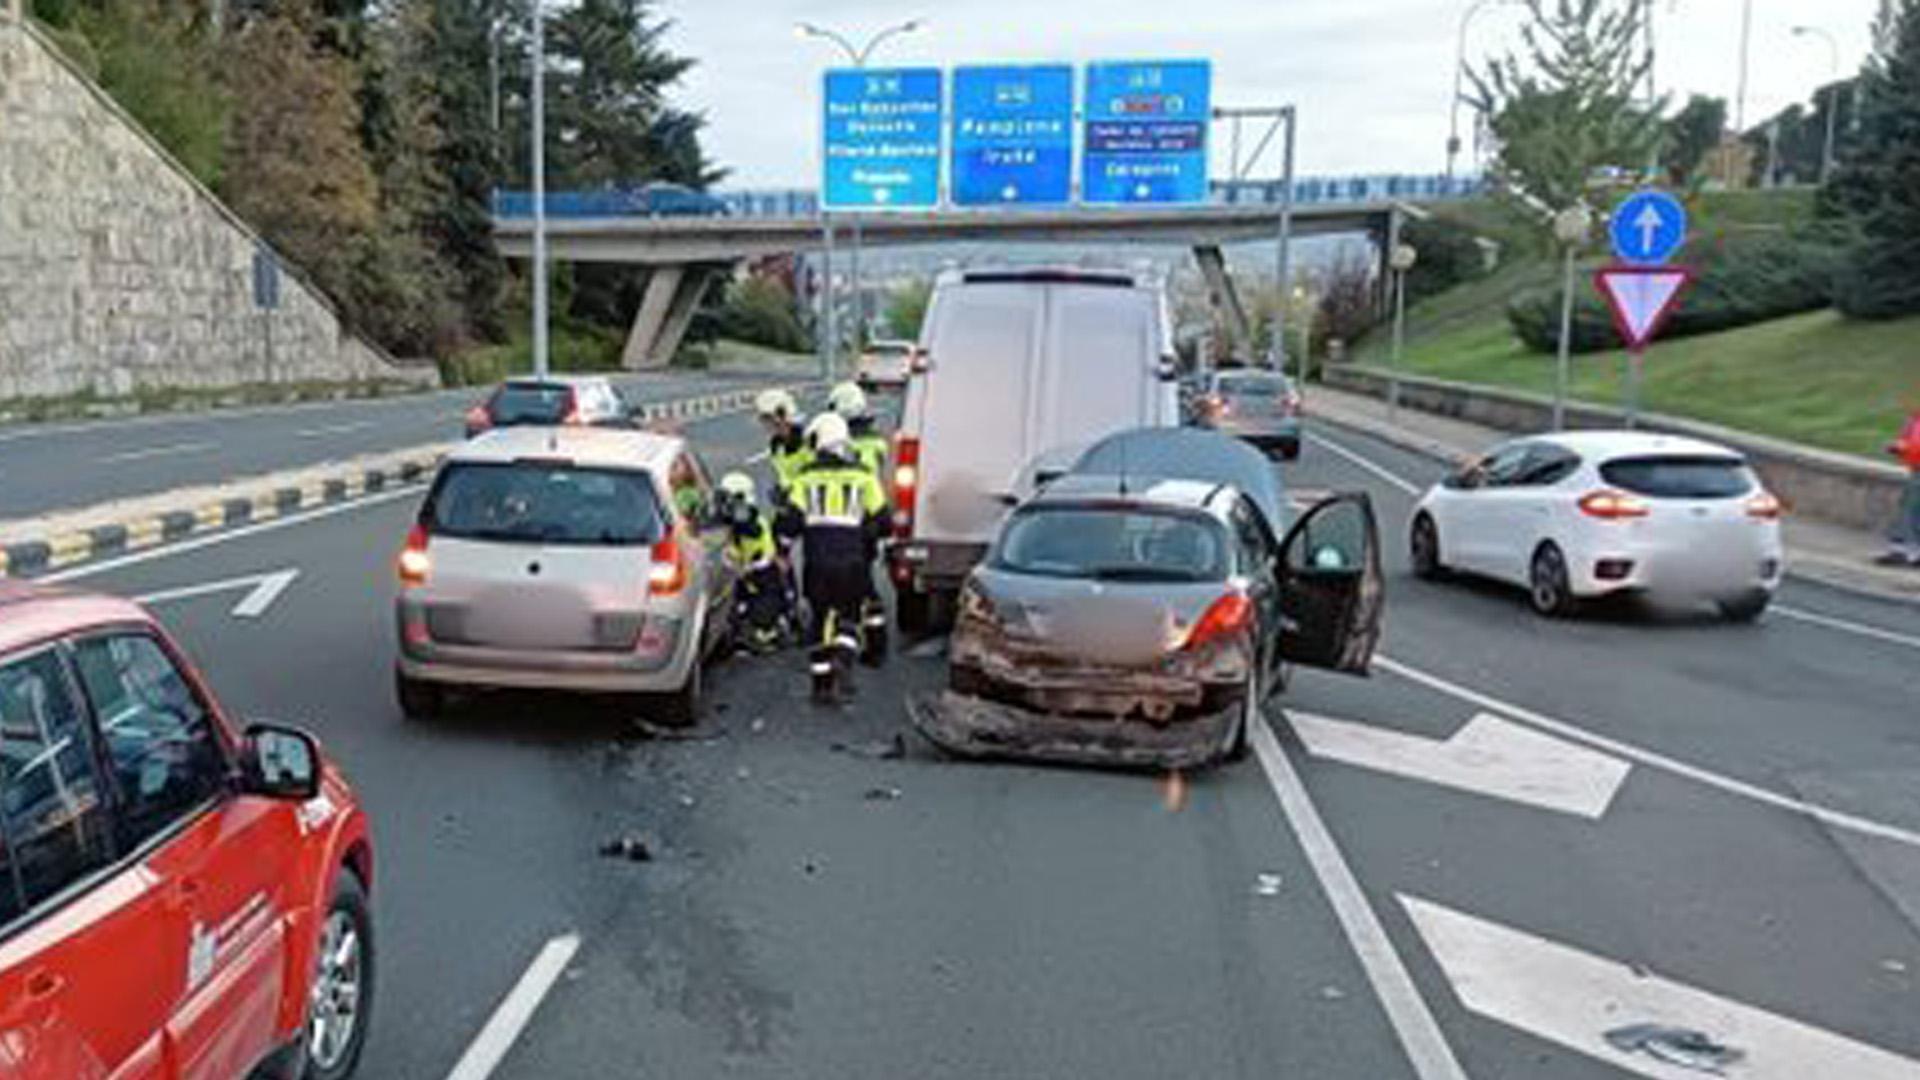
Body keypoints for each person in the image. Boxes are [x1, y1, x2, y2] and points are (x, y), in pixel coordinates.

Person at [778, 413, 888, 705]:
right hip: (852, 560)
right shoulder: (864, 477)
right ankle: (844, 656)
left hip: (816, 562)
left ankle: (822, 686)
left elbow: (790, 524)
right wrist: (867, 535)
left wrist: (783, 551)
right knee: (849, 616)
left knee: (819, 619)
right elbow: (884, 521)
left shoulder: (805, 479)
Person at [829, 381, 890, 658]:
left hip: (859, 520)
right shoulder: (873, 440)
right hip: (868, 520)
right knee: (862, 580)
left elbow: (858, 479)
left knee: (859, 583)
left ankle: (863, 642)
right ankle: (868, 637)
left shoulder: (858, 445)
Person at [715, 471, 795, 653]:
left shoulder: (752, 525)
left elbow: (749, 530)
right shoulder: (739, 521)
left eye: (727, 499)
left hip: (762, 583)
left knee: (753, 618)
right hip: (750, 579)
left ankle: (768, 629)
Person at [1879, 397, 1920, 567]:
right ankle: (1901, 549)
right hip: (1916, 469)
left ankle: (1905, 550)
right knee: (1908, 507)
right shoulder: (1914, 419)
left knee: (1912, 509)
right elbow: (1909, 440)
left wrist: (1904, 447)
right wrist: (1898, 447)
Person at [754, 388, 811, 502]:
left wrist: (790, 490)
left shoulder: (808, 442)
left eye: (767, 418)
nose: (765, 424)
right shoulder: (777, 446)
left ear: (781, 415)